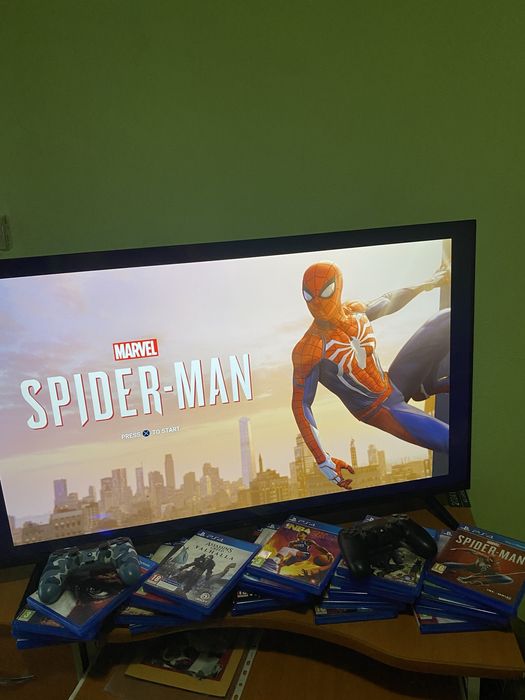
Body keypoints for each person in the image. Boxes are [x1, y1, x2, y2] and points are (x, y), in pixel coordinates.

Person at [292, 261, 450, 490]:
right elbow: (301, 404)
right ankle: (426, 385)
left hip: (391, 382)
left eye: (324, 292)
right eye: (309, 296)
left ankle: (425, 386)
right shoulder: (310, 348)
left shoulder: (354, 312)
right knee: (452, 440)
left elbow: (389, 299)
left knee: (445, 319)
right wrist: (323, 460)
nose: (317, 302)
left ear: (338, 287)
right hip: (379, 409)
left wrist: (431, 282)